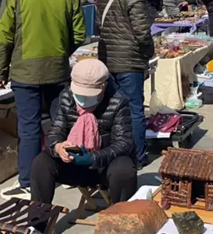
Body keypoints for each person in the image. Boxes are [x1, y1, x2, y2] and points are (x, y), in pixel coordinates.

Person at [0, 0, 87, 200]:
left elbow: (5, 37)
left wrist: (1, 71)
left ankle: (28, 181)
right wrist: (62, 51)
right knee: (63, 123)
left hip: (25, 72)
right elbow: (80, 34)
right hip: (58, 69)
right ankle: (68, 173)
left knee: (29, 128)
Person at [30, 59, 136, 221]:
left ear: (103, 88)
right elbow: (55, 131)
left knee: (124, 169)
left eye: (89, 95)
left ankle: (122, 221)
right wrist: (58, 147)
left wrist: (95, 158)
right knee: (41, 163)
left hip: (103, 166)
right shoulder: (66, 97)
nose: (84, 100)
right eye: (80, 94)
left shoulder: (118, 102)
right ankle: (37, 224)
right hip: (73, 162)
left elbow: (124, 143)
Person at [96, 0, 154, 166]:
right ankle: (138, 156)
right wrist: (148, 54)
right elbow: (142, 34)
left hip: (108, 60)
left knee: (113, 111)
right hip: (129, 62)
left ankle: (113, 154)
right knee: (135, 111)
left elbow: (99, 29)